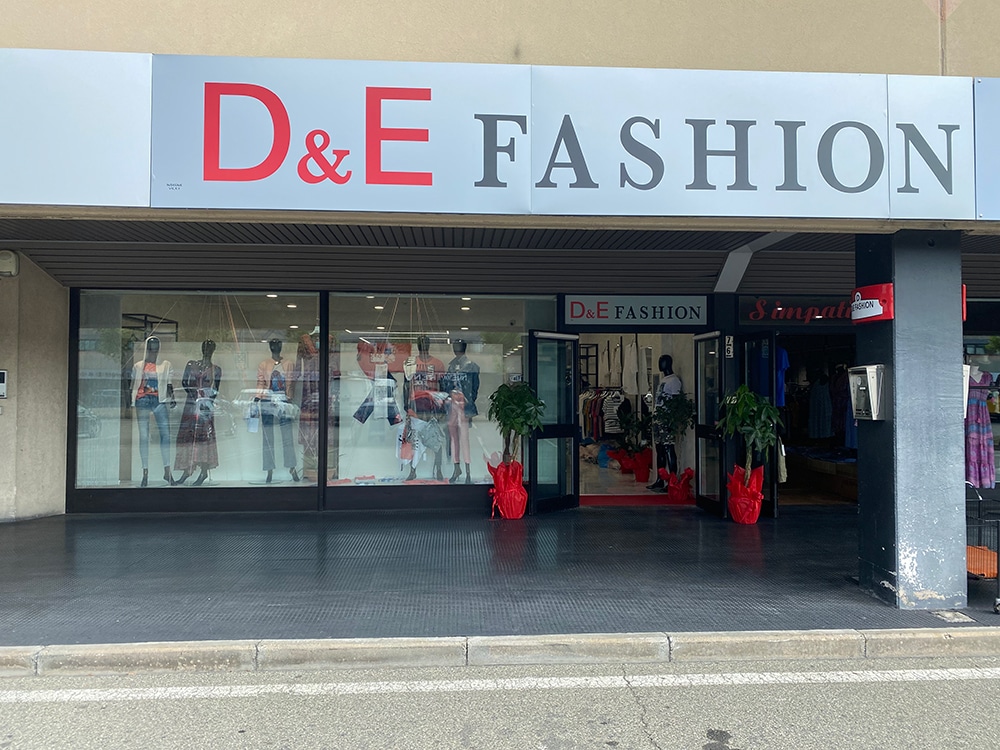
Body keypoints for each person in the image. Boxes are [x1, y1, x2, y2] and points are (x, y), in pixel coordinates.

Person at [174, 339, 222, 486]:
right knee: (188, 436)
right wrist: (194, 396)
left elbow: (216, 389)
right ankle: (187, 469)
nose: (207, 350)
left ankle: (203, 471)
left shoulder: (216, 369)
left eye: (210, 348)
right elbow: (184, 382)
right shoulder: (191, 364)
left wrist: (207, 402)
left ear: (213, 350)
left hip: (205, 406)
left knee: (204, 437)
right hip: (191, 404)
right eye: (205, 347)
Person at [131, 335, 176, 487]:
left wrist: (172, 397)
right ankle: (145, 472)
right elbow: (133, 384)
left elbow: (169, 383)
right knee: (144, 436)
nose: (153, 350)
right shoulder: (138, 366)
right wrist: (129, 401)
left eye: (156, 347)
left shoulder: (165, 365)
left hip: (159, 401)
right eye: (151, 347)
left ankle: (167, 471)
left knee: (166, 435)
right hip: (142, 400)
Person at [402, 335, 448, 480]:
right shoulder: (410, 363)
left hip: (432, 406)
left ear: (429, 344)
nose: (423, 345)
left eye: (426, 342)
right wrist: (406, 404)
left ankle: (438, 470)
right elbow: (405, 384)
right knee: (414, 439)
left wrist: (442, 407)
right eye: (421, 342)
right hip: (415, 405)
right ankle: (412, 470)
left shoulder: (438, 364)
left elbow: (443, 386)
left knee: (435, 438)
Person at [256, 339, 299, 483]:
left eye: (278, 344)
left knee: (287, 436)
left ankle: (292, 468)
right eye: (273, 345)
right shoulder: (264, 364)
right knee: (267, 437)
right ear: (270, 347)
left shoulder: (289, 363)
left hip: (284, 401)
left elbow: (292, 382)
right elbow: (261, 382)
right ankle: (269, 470)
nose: (276, 347)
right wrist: (257, 397)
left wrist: (290, 398)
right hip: (267, 401)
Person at [442, 339, 480, 484]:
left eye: (457, 347)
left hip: (464, 405)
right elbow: (446, 384)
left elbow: (474, 388)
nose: (455, 349)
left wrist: (467, 401)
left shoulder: (472, 366)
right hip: (452, 405)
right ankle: (457, 468)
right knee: (454, 438)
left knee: (464, 438)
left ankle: (468, 471)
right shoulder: (451, 366)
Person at [648, 354, 682, 492]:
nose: (659, 364)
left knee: (669, 448)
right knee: (659, 449)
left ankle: (672, 481)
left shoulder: (674, 381)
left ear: (668, 363)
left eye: (662, 361)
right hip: (658, 418)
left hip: (667, 419)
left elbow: (676, 401)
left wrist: (671, 419)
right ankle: (660, 479)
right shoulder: (664, 380)